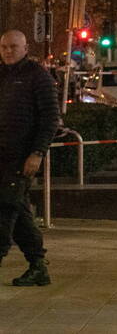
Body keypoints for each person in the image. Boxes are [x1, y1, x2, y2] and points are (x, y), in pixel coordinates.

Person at [0, 30, 58, 287]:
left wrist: (37, 153)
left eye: (13, 46)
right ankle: (38, 266)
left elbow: (49, 118)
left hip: (20, 159)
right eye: (3, 47)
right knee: (19, 213)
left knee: (4, 211)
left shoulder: (37, 76)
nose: (7, 51)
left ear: (25, 48)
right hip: (2, 158)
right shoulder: (2, 75)